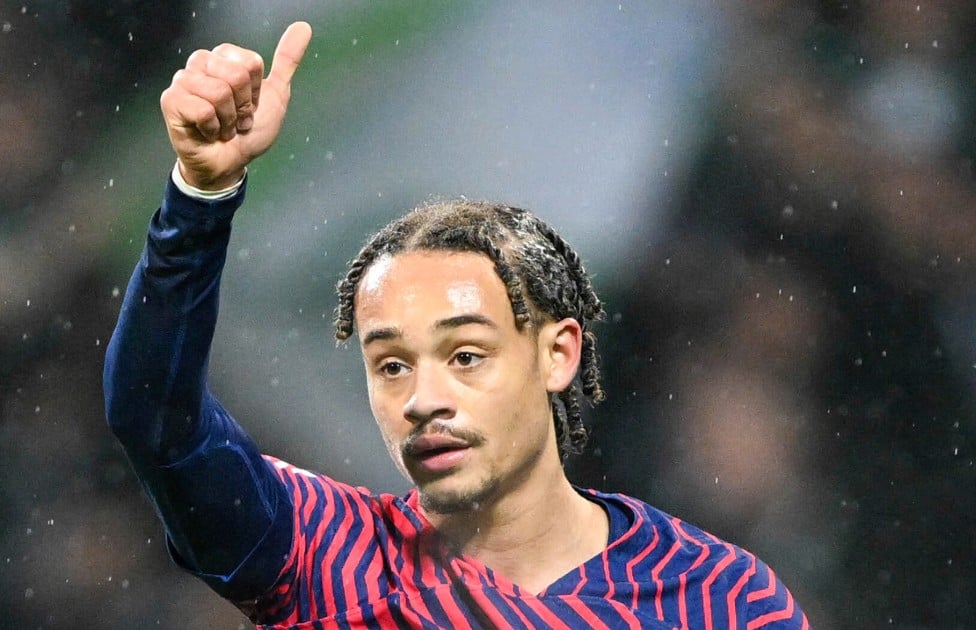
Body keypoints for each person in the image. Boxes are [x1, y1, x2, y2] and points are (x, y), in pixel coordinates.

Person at [103, 21, 807, 629]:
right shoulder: (332, 560)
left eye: (466, 355)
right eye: (391, 365)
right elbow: (156, 420)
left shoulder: (721, 599)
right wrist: (200, 195)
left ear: (558, 354)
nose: (423, 400)